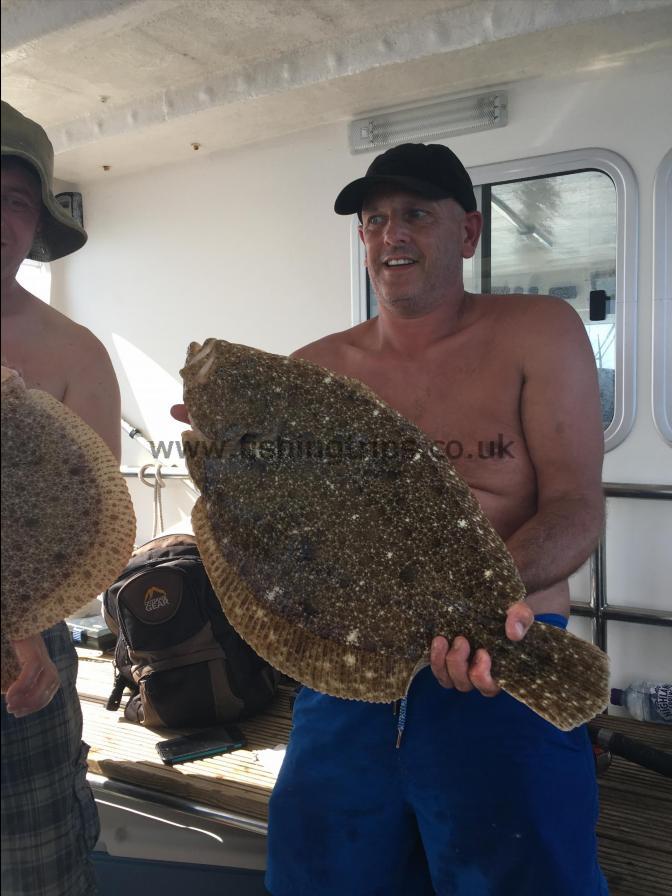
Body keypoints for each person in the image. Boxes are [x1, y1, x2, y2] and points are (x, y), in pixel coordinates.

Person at [264, 144, 608, 895]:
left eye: (416, 214)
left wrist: (476, 607)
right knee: (318, 870)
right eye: (374, 220)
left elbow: (576, 506)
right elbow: (295, 533)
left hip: (504, 655)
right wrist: (233, 463)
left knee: (527, 873)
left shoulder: (538, 330)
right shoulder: (312, 369)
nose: (391, 235)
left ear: (470, 233)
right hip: (353, 669)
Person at [1, 100, 121, 896]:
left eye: (14, 201)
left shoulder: (75, 353)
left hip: (29, 659)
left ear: (36, 223)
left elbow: (94, 527)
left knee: (39, 873)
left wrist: (21, 628)